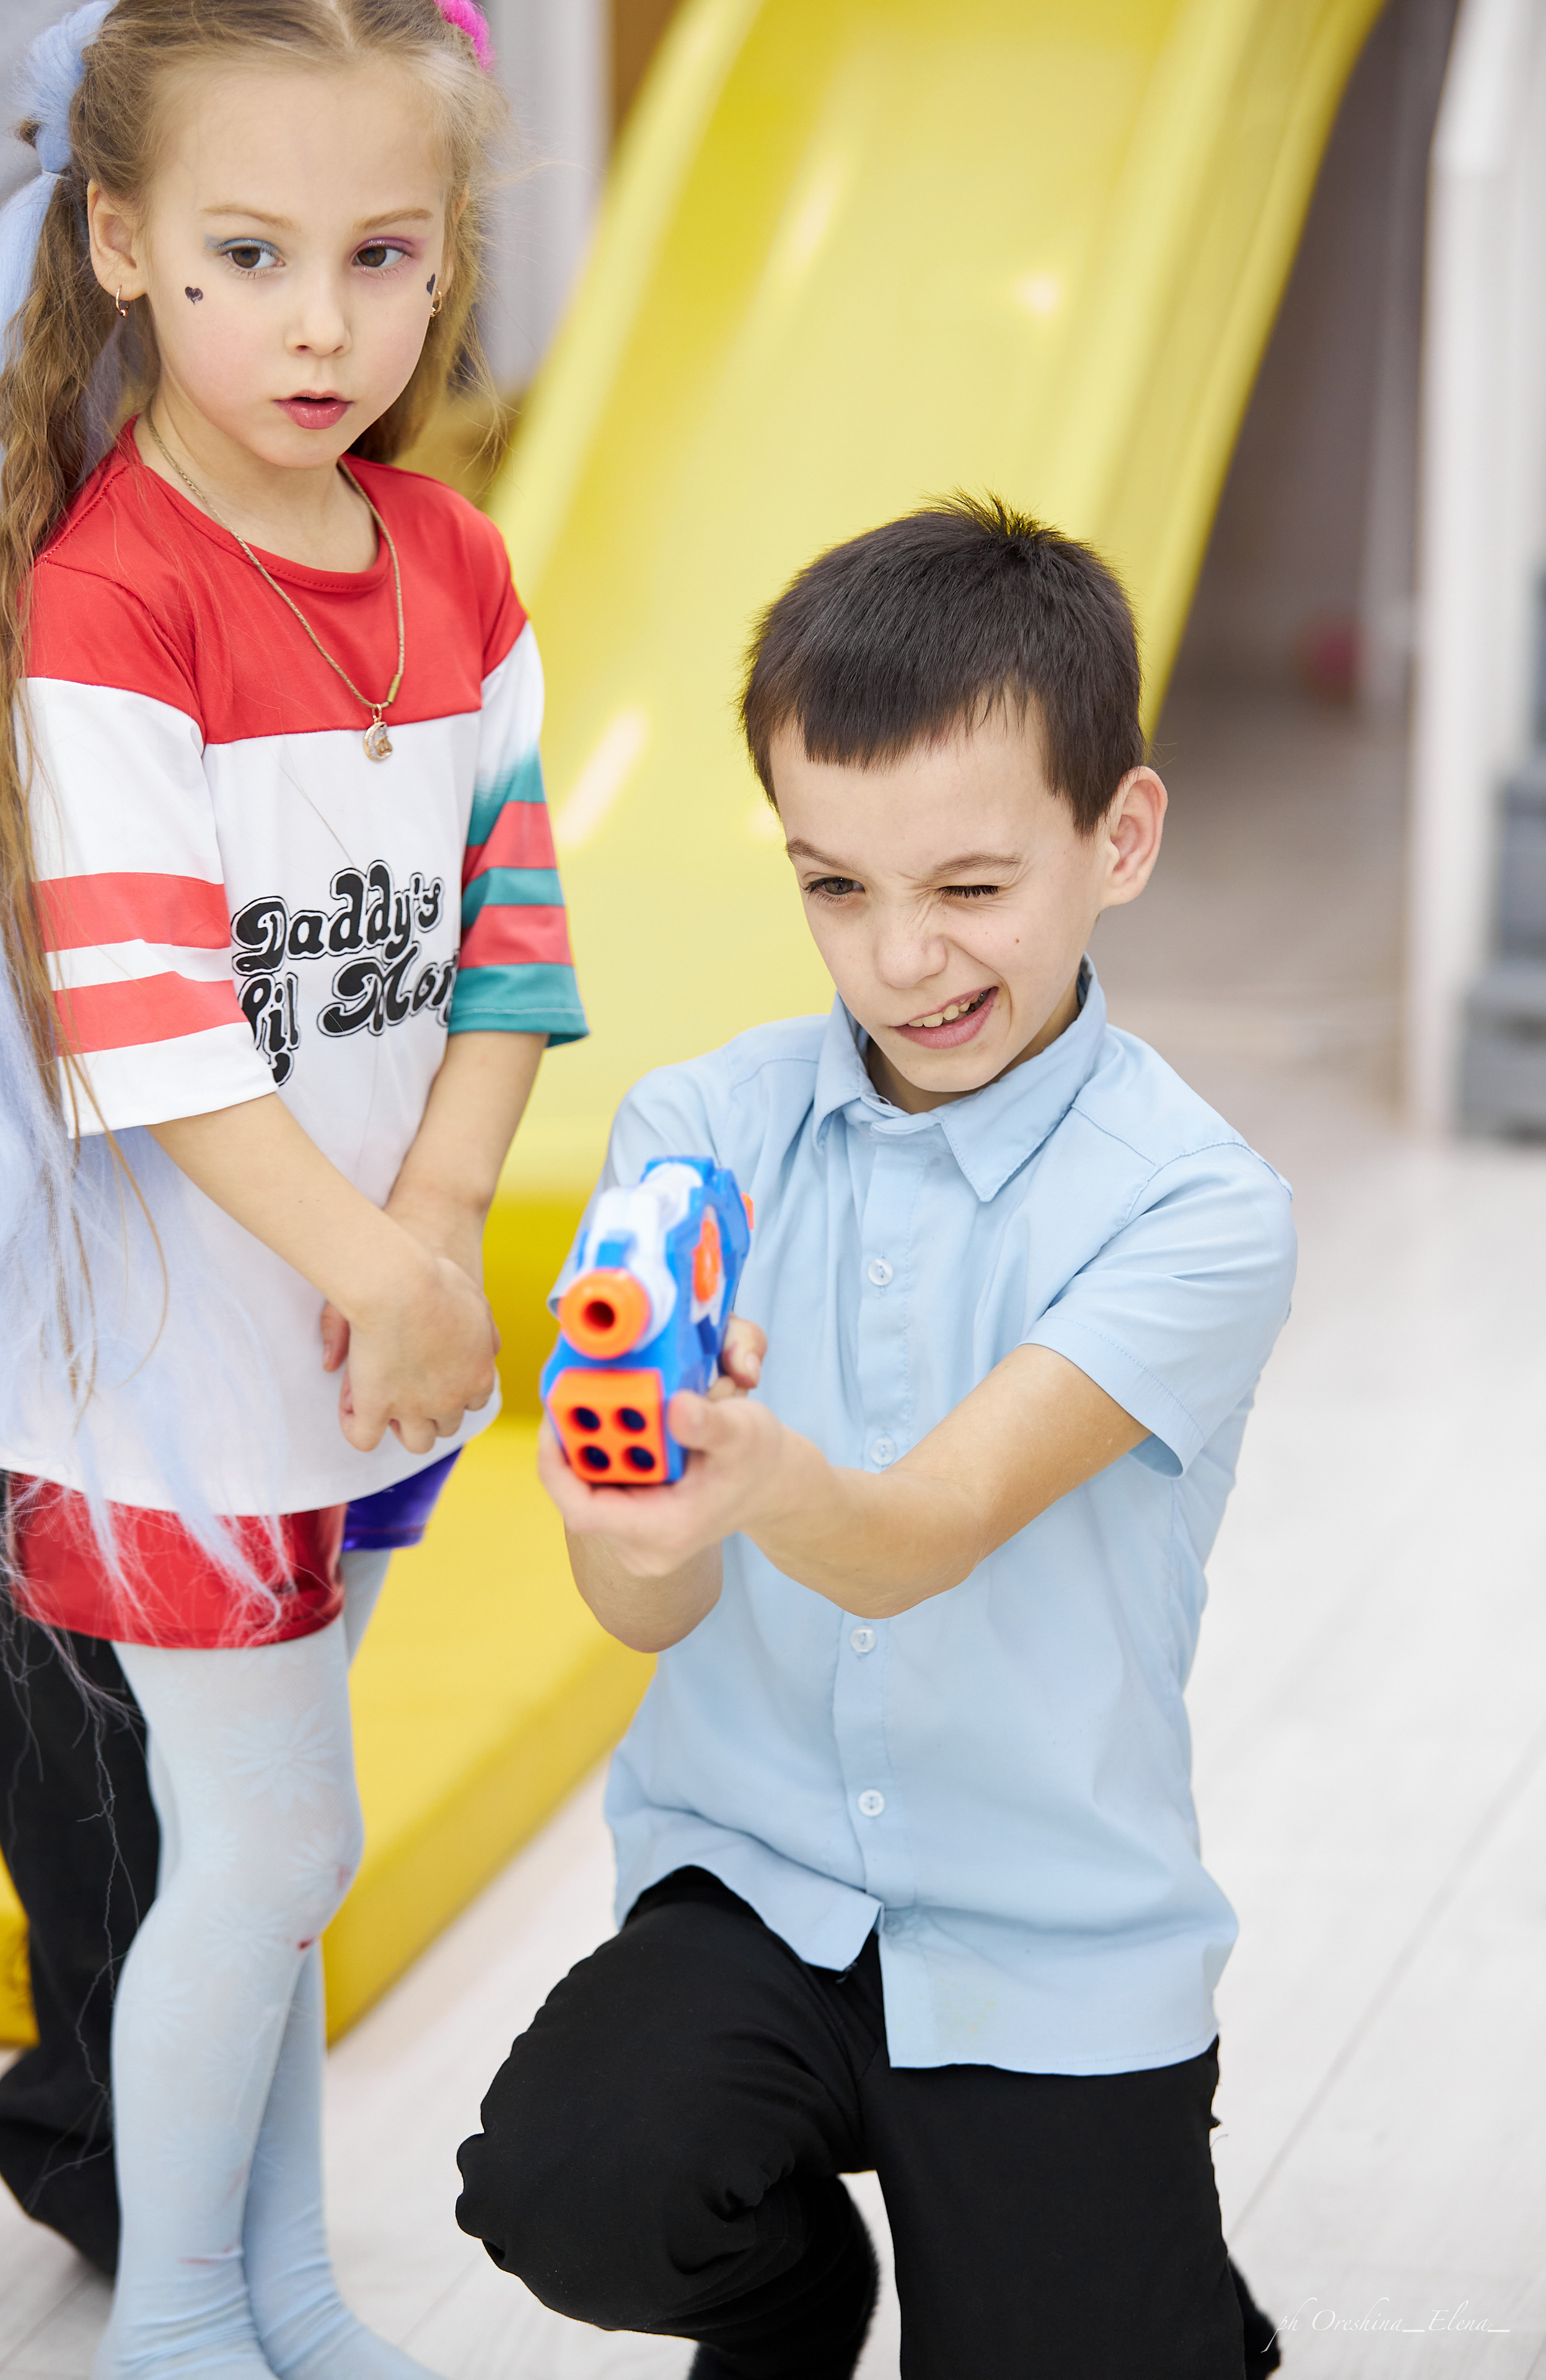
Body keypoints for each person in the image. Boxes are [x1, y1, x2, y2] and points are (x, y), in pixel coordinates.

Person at [455, 498, 1294, 2379]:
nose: (902, 957)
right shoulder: (703, 1126)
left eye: (970, 888)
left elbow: (929, 1528)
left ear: (1120, 838)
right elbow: (643, 1618)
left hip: (1046, 1942)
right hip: (755, 1886)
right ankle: (795, 2299)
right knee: (573, 2179)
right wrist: (643, 1521)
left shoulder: (1195, 1208)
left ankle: (1166, 2302)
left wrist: (755, 1473)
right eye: (835, 885)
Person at [0, 7, 585, 2380]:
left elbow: (513, 942)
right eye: (246, 254)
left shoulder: (458, 564)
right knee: (273, 1849)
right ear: (118, 245)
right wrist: (376, 1267)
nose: (319, 321)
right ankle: (183, 2319)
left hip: (345, 1324)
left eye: (379, 254)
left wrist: (432, 1232)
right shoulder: (112, 599)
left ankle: (284, 2293)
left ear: (443, 269)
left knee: (273, 1845)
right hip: (174, 1365)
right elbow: (147, 1036)